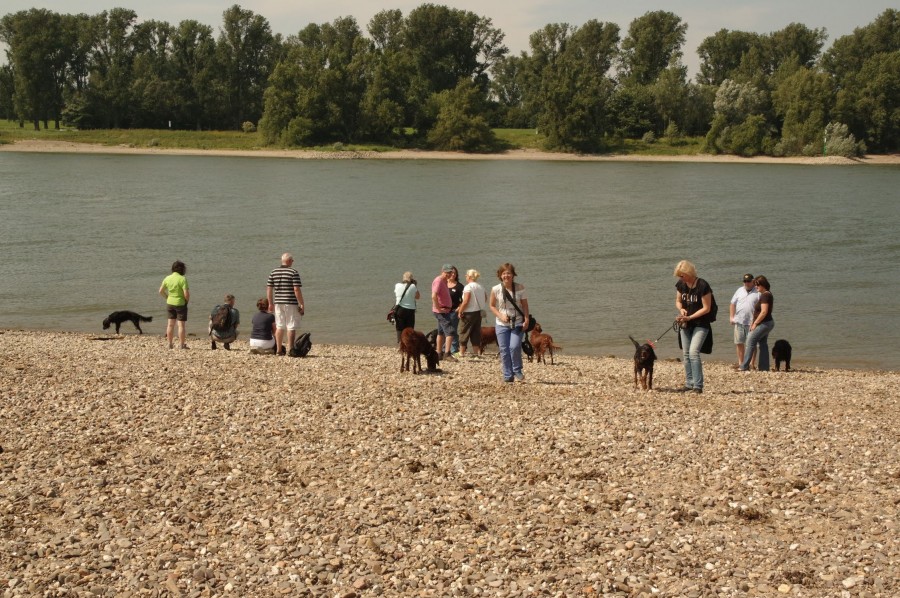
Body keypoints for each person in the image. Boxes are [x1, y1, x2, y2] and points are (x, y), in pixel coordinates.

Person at [674, 260, 714, 393]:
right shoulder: (681, 284)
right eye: (679, 276)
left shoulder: (702, 285)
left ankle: (698, 385)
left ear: (689, 273)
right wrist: (681, 310)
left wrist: (690, 317)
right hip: (686, 323)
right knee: (686, 353)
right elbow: (678, 301)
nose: (681, 278)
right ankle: (689, 383)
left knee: (693, 352)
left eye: (682, 275)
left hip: (701, 323)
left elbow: (707, 308)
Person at [489, 263, 529, 382]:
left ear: (513, 275)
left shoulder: (520, 287)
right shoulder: (495, 289)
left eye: (509, 273)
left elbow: (525, 305)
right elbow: (492, 306)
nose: (506, 275)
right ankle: (508, 375)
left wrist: (526, 319)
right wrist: (501, 315)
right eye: (504, 273)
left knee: (514, 346)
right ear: (500, 275)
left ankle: (517, 370)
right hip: (501, 324)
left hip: (518, 322)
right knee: (504, 350)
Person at [266, 253, 305, 356]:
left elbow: (269, 289)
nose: (293, 262)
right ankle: (291, 349)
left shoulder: (273, 272)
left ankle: (279, 350)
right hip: (290, 302)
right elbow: (296, 289)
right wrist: (301, 304)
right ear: (289, 261)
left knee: (279, 326)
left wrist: (270, 303)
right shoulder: (293, 272)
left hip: (278, 302)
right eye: (292, 260)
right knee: (291, 326)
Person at [739, 276, 775, 372]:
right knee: (763, 344)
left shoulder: (765, 295)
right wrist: (753, 322)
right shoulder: (766, 294)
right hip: (767, 323)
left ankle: (744, 366)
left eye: (757, 285)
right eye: (755, 285)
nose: (756, 287)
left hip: (764, 323)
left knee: (750, 341)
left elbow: (764, 312)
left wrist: (755, 323)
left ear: (763, 285)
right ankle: (764, 368)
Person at [729, 273, 759, 368]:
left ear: (753, 281)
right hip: (739, 321)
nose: (746, 283)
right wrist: (731, 317)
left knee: (752, 344)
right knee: (739, 343)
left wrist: (757, 321)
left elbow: (762, 308)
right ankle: (741, 363)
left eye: (748, 281)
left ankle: (752, 364)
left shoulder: (758, 292)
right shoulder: (739, 290)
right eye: (745, 281)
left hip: (752, 323)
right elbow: (732, 304)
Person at [159, 260, 190, 349]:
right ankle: (181, 345)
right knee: (181, 325)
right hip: (180, 303)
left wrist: (167, 297)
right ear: (182, 269)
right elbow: (186, 294)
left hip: (170, 303)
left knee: (170, 324)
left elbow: (160, 291)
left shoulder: (167, 278)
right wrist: (186, 301)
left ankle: (169, 344)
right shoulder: (182, 279)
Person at [457, 269, 487, 358]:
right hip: (478, 312)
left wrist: (460, 310)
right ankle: (475, 353)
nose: (465, 276)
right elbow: (485, 298)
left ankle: (461, 352)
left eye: (466, 275)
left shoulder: (468, 287)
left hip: (468, 313)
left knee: (463, 331)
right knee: (475, 332)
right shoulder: (481, 287)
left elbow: (466, 301)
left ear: (469, 277)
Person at [431, 264, 457, 361]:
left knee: (441, 332)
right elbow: (434, 295)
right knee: (450, 331)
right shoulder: (438, 281)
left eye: (450, 272)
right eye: (447, 272)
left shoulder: (444, 281)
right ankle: (447, 354)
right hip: (441, 311)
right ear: (443, 271)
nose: (449, 274)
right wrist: (438, 308)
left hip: (445, 310)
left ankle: (438, 353)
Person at [393, 272, 420, 343]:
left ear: (403, 278)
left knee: (399, 328)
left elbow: (397, 294)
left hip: (399, 309)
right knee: (409, 329)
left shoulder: (397, 285)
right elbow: (418, 297)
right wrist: (414, 285)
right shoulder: (413, 286)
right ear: (411, 279)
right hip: (410, 310)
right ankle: (409, 344)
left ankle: (400, 343)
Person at [447, 266, 464, 355]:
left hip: (454, 311)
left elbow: (464, 300)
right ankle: (445, 348)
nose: (453, 274)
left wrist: (459, 308)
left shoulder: (460, 286)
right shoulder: (443, 284)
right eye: (451, 273)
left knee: (452, 330)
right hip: (443, 311)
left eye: (455, 273)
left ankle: (454, 349)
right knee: (443, 330)